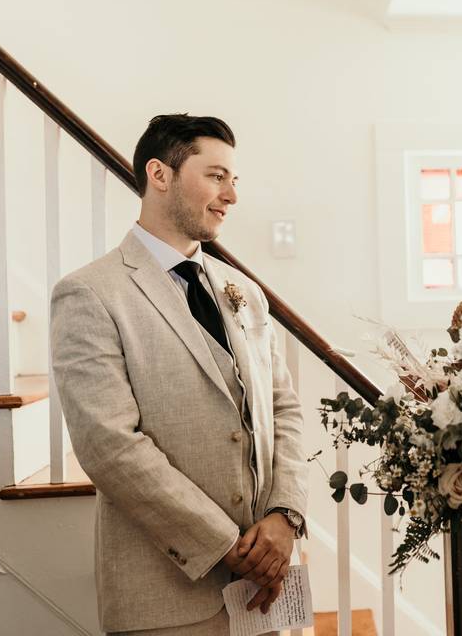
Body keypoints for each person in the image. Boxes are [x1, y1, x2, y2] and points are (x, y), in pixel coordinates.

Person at [51, 114, 308, 635]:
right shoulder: (91, 293)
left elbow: (283, 407)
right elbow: (109, 445)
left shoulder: (246, 292)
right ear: (159, 175)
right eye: (216, 176)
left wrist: (285, 517)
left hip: (261, 591)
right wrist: (226, 545)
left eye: (235, 180)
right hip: (165, 597)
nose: (231, 195)